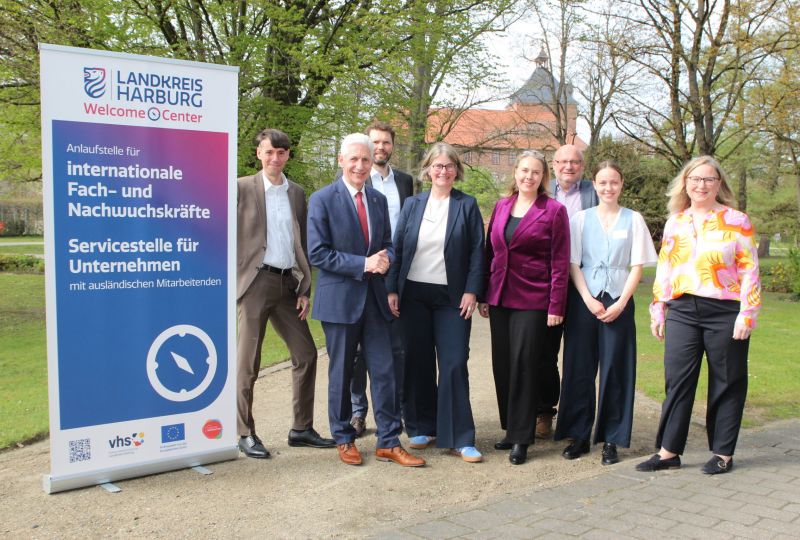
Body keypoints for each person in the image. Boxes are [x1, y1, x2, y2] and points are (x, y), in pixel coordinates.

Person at [636, 155, 761, 475]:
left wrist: (747, 314)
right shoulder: (675, 221)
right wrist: (658, 309)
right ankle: (668, 452)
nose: (701, 185)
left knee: (727, 381)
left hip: (724, 310)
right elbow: (665, 268)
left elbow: (750, 270)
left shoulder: (737, 220)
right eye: (695, 179)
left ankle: (723, 453)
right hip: (682, 310)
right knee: (677, 380)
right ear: (685, 184)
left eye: (708, 179)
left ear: (719, 184)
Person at [307, 133, 424, 467]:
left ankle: (388, 440)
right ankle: (344, 438)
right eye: (354, 159)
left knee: (385, 371)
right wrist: (363, 264)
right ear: (341, 160)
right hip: (340, 302)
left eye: (366, 160)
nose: (360, 165)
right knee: (342, 373)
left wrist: (385, 257)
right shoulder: (322, 199)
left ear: (372, 163)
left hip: (374, 299)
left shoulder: (375, 200)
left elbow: (387, 241)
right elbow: (318, 252)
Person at [236, 128, 335, 459]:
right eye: (268, 152)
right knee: (248, 361)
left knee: (306, 354)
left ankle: (301, 428)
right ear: (259, 154)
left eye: (281, 153)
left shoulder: (296, 192)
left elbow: (301, 243)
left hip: (287, 285)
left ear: (288, 155)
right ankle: (245, 431)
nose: (275, 158)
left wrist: (304, 287)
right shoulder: (240, 188)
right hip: (254, 284)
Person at [385, 142, 485, 463]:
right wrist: (392, 289)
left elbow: (476, 254)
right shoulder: (413, 204)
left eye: (449, 166)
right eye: (437, 166)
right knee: (418, 360)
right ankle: (421, 425)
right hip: (413, 294)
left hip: (452, 298)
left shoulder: (467, 206)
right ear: (427, 169)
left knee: (454, 362)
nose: (443, 171)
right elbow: (397, 248)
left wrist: (472, 290)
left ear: (457, 170)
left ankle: (459, 436)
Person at [554, 161, 657, 465]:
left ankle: (611, 437)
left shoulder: (633, 219)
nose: (608, 188)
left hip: (618, 300)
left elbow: (637, 265)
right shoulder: (580, 219)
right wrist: (586, 298)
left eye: (614, 182)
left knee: (616, 369)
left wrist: (622, 303)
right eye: (602, 183)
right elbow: (572, 263)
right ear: (594, 185)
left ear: (621, 184)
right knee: (579, 368)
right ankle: (579, 434)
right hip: (585, 300)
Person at [478, 151, 570, 465]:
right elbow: (490, 251)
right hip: (500, 296)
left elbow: (560, 262)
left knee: (524, 364)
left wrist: (556, 303)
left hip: (534, 298)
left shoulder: (554, 210)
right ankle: (510, 428)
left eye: (535, 172)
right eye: (524, 171)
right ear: (515, 173)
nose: (528, 177)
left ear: (542, 177)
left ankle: (522, 437)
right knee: (502, 364)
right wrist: (483, 294)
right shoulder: (502, 205)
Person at [349, 121, 414, 438]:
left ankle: (396, 409)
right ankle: (358, 411)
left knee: (397, 348)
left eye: (386, 142)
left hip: (396, 272)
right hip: (363, 272)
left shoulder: (405, 181)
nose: (380, 148)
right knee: (359, 351)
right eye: (375, 142)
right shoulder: (355, 179)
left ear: (392, 146)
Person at [537, 144, 600, 440]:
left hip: (583, 282)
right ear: (553, 164)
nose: (568, 167)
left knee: (579, 353)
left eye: (574, 162)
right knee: (545, 351)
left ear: (583, 166)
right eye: (562, 161)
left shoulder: (594, 191)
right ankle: (544, 410)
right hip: (547, 282)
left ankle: (576, 417)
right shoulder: (540, 190)